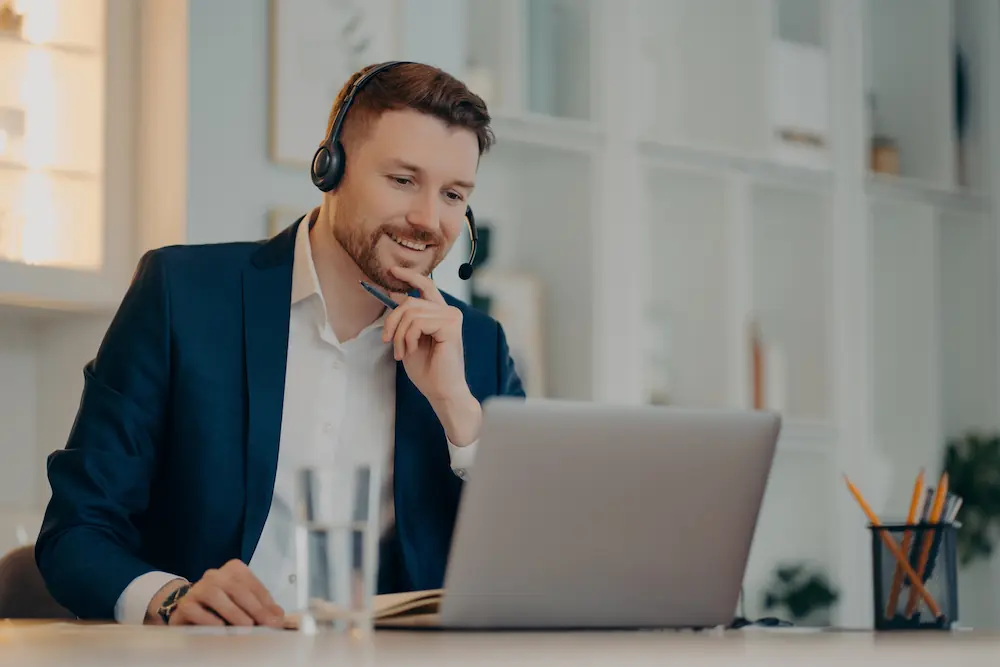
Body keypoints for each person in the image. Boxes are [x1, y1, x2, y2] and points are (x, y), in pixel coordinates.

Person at [34, 61, 525, 626]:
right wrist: (169, 598)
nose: (427, 219)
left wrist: (459, 413)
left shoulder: (478, 347)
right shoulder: (182, 296)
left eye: (453, 194)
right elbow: (76, 530)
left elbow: (532, 564)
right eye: (402, 180)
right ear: (330, 166)